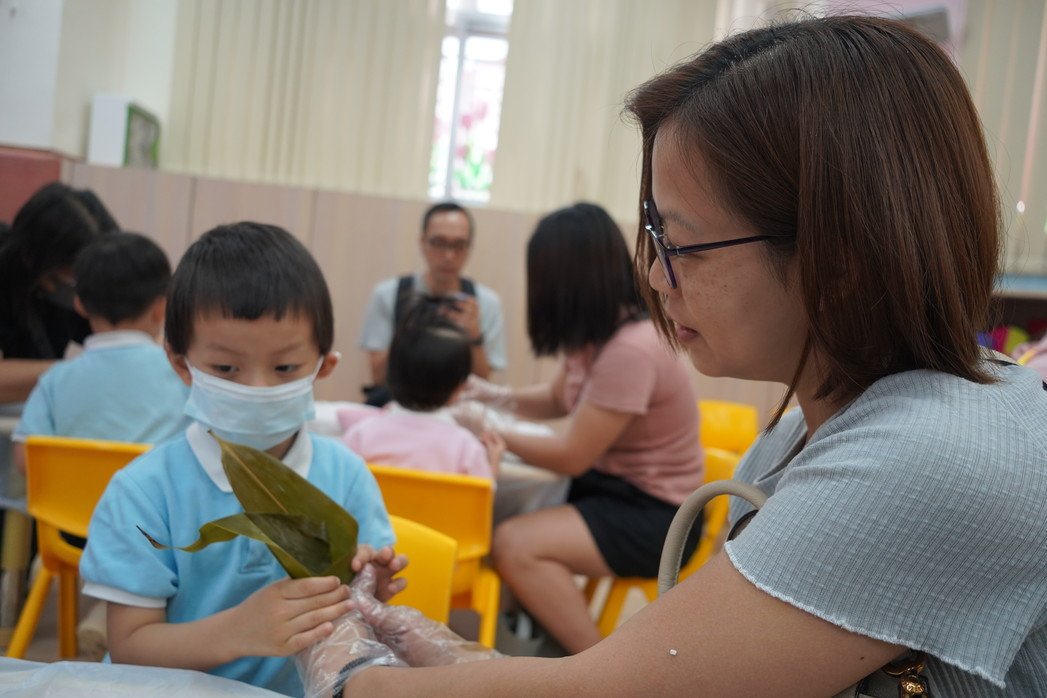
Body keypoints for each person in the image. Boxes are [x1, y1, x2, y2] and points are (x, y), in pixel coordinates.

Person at [325, 15, 1047, 696]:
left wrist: (352, 674)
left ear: (841, 257)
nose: (652, 273)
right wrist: (438, 656)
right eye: (653, 238)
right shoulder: (801, 433)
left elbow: (610, 689)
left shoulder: (932, 457)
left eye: (680, 243)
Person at [79, 222, 406, 695]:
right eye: (226, 368)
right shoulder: (145, 490)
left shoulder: (347, 477)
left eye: (285, 367)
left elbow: (355, 617)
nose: (257, 387)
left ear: (324, 366)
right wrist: (238, 631)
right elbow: (130, 644)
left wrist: (370, 588)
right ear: (181, 364)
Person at [458, 202, 703, 655]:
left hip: (656, 515)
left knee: (514, 544)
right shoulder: (595, 336)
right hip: (610, 488)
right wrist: (493, 397)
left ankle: (602, 671)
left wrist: (488, 429)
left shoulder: (631, 349)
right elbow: (557, 399)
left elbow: (572, 456)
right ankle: (529, 637)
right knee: (499, 508)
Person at [12, 231, 191, 471]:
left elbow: (24, 459)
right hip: (154, 495)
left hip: (74, 496)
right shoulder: (183, 374)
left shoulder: (55, 380)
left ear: (80, 305)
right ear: (162, 307)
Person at [358, 202, 506, 405]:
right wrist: (412, 326)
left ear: (469, 247)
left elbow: (482, 382)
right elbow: (379, 377)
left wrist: (473, 335)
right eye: (438, 242)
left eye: (459, 245)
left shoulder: (485, 303)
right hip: (396, 405)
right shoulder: (389, 294)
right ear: (422, 243)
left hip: (457, 409)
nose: (449, 256)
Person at [341, 302, 504, 480]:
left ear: (392, 374)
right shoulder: (466, 448)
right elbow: (480, 493)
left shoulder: (360, 435)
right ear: (460, 387)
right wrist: (493, 464)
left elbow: (339, 486)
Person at [0, 182, 118, 403]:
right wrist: (78, 371)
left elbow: (121, 337)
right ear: (30, 258)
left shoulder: (81, 282)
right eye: (70, 277)